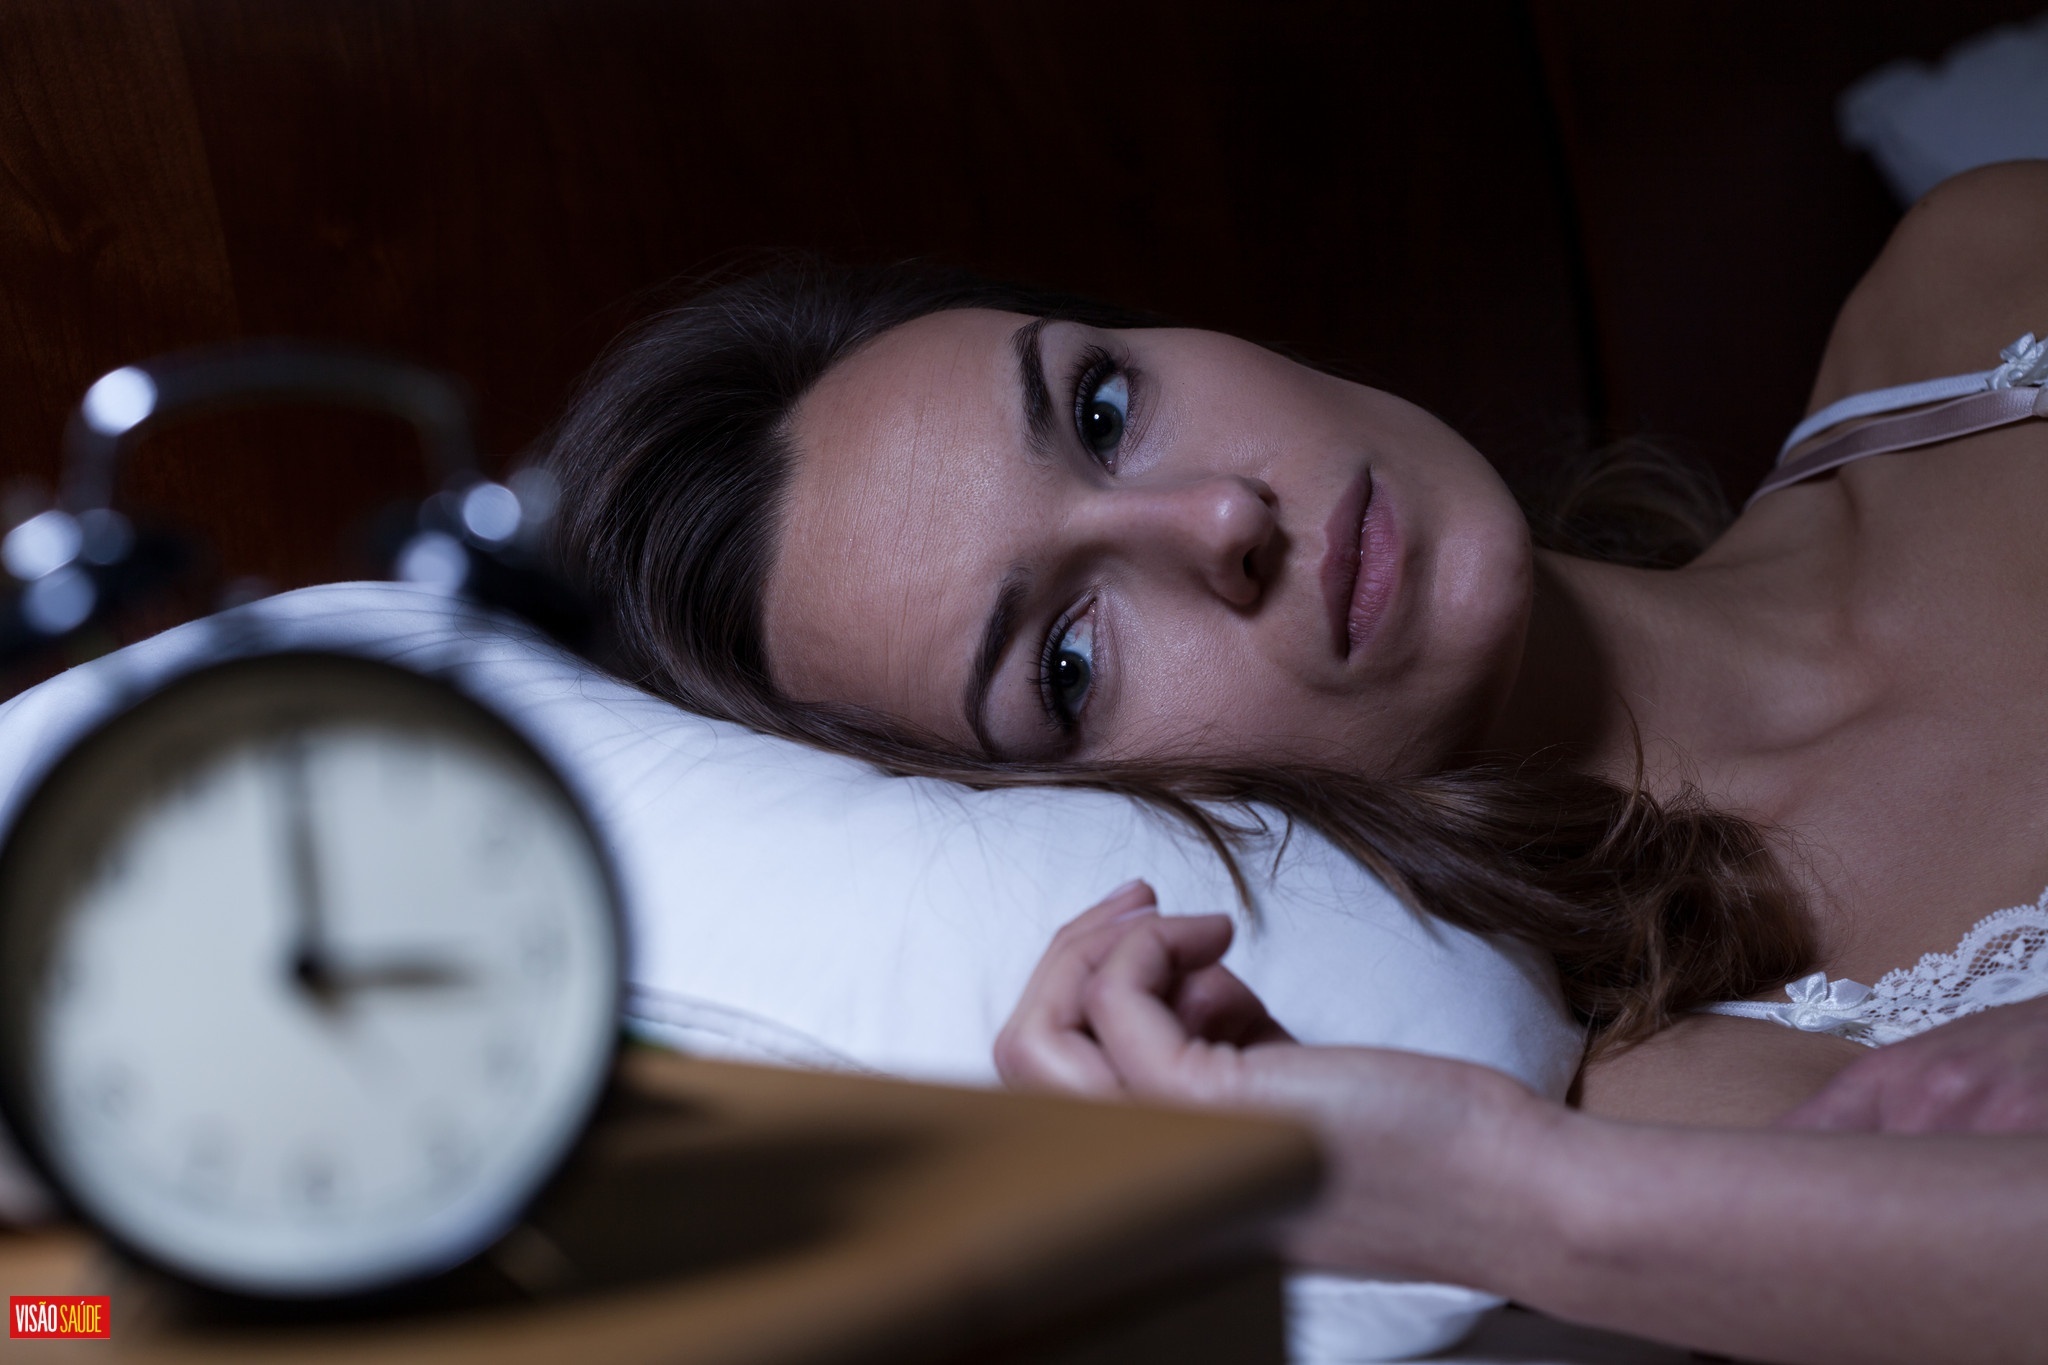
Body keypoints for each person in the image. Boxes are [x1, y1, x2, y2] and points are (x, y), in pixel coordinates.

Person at [542, 161, 2048, 1362]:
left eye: (1102, 408)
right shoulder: (1693, 1098)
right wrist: (1505, 1202)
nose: (1216, 523)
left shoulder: (1977, 287)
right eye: (1068, 660)